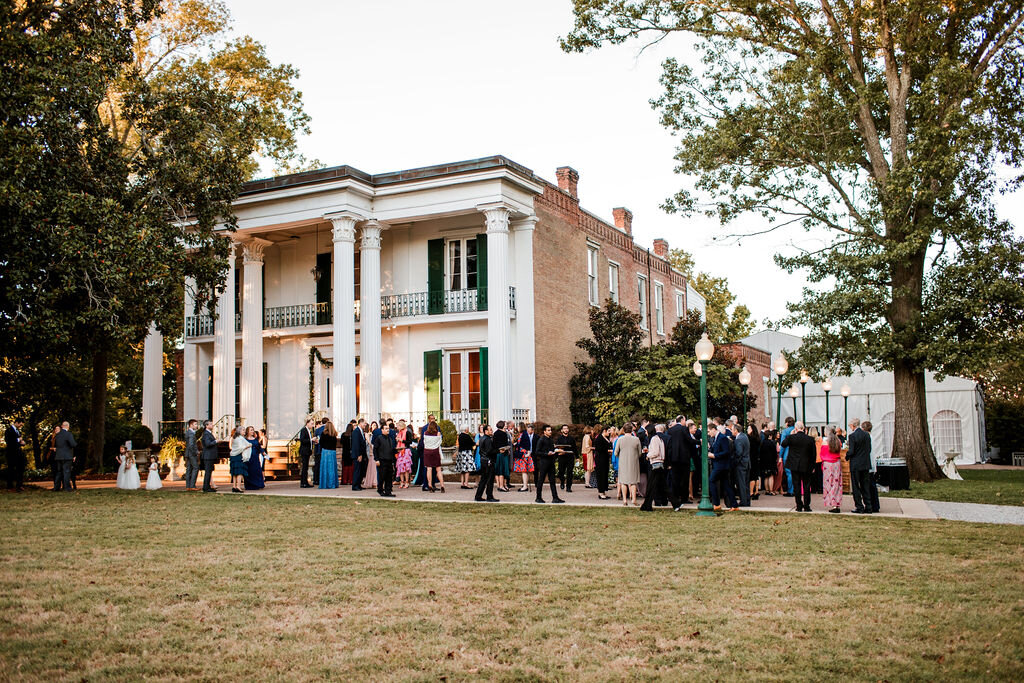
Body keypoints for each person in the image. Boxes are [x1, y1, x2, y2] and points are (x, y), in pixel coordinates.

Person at [781, 421, 816, 512]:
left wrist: (791, 434)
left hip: (794, 465)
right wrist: (813, 466)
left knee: (796, 485)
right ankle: (807, 505)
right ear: (804, 428)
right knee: (806, 486)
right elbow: (813, 454)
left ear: (795, 429)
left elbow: (783, 444)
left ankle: (799, 505)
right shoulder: (810, 439)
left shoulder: (791, 438)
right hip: (806, 465)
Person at [707, 424, 738, 510]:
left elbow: (726, 452)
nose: (709, 434)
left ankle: (716, 503)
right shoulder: (716, 438)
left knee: (712, 481)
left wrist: (714, 455)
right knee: (726, 485)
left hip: (721, 465)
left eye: (709, 431)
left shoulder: (722, 438)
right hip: (719, 465)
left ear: (713, 429)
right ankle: (734, 505)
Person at [846, 418, 873, 513]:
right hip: (865, 463)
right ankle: (868, 506)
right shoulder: (866, 435)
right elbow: (869, 449)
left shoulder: (852, 436)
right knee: (865, 485)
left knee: (856, 486)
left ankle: (859, 506)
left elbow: (851, 451)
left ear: (853, 426)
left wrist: (847, 456)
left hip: (856, 465)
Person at [532, 424, 563, 504]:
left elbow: (552, 450)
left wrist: (557, 453)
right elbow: (537, 452)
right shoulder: (541, 440)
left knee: (552, 480)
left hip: (551, 462)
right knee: (541, 480)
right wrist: (546, 454)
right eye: (548, 430)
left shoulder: (551, 440)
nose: (550, 432)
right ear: (544, 431)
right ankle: (538, 497)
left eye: (550, 430)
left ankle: (555, 498)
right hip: (544, 462)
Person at [640, 424, 668, 511]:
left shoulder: (653, 439)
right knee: (661, 485)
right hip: (659, 463)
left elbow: (655, 452)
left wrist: (648, 455)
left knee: (652, 486)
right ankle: (647, 505)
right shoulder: (659, 439)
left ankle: (647, 505)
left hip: (655, 463)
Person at [612, 423, 641, 507]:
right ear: (631, 430)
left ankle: (624, 500)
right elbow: (640, 453)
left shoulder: (620, 439)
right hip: (633, 462)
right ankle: (634, 499)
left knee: (623, 481)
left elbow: (616, 452)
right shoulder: (636, 439)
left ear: (624, 430)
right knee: (633, 482)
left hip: (623, 462)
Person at [474, 424, 500, 502]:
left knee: (483, 479)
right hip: (489, 461)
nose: (492, 431)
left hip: (483, 460)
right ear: (486, 431)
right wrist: (499, 451)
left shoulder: (482, 438)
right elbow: (489, 451)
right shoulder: (488, 439)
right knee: (489, 479)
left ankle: (478, 496)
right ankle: (489, 496)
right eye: (490, 430)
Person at [821, 426, 844, 513]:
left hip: (828, 463)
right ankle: (836, 504)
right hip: (837, 463)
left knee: (828, 483)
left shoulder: (825, 442)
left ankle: (831, 502)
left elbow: (822, 454)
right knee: (837, 483)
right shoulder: (838, 441)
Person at [372, 423, 396, 497]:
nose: (387, 430)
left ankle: (388, 491)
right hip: (382, 460)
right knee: (382, 476)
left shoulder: (390, 438)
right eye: (386, 429)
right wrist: (376, 459)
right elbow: (375, 449)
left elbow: (392, 449)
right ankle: (380, 490)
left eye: (388, 429)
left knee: (389, 477)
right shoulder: (379, 438)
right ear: (382, 430)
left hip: (389, 460)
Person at [731, 422, 752, 507]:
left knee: (741, 483)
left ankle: (743, 501)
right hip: (747, 463)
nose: (732, 431)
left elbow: (739, 453)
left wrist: (735, 462)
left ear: (736, 430)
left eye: (732, 430)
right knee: (746, 483)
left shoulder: (738, 439)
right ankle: (747, 500)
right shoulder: (745, 436)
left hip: (741, 464)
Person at [53, 421, 76, 493]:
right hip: (67, 456)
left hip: (59, 456)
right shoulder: (68, 434)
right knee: (66, 472)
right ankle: (67, 487)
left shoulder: (57, 435)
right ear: (67, 426)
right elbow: (72, 444)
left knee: (59, 472)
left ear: (62, 426)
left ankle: (56, 487)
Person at [862, 420, 880, 512]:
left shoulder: (867, 438)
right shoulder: (871, 437)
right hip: (872, 464)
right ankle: (875, 504)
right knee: (872, 485)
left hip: (868, 464)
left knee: (869, 486)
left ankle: (872, 505)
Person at [421, 422, 444, 492]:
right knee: (438, 470)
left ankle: (430, 485)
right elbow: (440, 442)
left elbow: (424, 442)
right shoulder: (438, 434)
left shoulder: (425, 433)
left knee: (429, 469)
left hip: (427, 452)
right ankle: (442, 485)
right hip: (435, 451)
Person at [5, 418, 26, 491]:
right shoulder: (9, 430)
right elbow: (9, 441)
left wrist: (22, 443)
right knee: (11, 469)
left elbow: (18, 441)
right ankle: (9, 486)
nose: (21, 426)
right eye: (20, 424)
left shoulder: (18, 431)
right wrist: (18, 440)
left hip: (19, 453)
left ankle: (19, 485)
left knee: (20, 469)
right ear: (16, 422)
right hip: (11, 453)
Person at [554, 424, 577, 493]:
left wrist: (577, 457)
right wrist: (556, 456)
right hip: (562, 457)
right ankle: (562, 481)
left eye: (567, 428)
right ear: (561, 430)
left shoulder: (571, 438)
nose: (566, 430)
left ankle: (568, 487)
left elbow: (574, 448)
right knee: (561, 472)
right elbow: (557, 448)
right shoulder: (559, 439)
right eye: (564, 428)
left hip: (570, 457)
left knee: (570, 472)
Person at [514, 422, 535, 492]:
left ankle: (525, 486)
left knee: (524, 471)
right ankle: (524, 484)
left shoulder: (525, 434)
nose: (517, 428)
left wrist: (528, 452)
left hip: (523, 454)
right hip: (521, 453)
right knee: (523, 471)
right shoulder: (521, 434)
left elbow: (528, 444)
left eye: (518, 426)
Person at [229, 426, 250, 493]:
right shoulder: (240, 438)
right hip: (238, 456)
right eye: (243, 430)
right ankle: (238, 486)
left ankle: (234, 486)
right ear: (239, 431)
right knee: (239, 472)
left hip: (233, 456)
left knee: (234, 472)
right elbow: (241, 448)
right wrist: (248, 446)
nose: (244, 431)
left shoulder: (235, 438)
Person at [318, 421, 339, 489]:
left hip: (325, 452)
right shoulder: (334, 435)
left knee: (325, 468)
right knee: (332, 468)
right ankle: (332, 483)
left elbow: (321, 443)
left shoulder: (323, 434)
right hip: (332, 452)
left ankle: (325, 483)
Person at [592, 424, 611, 500]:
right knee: (601, 475)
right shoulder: (599, 438)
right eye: (608, 431)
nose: (609, 433)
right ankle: (601, 492)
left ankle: (603, 492)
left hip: (605, 459)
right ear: (604, 431)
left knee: (605, 475)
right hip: (600, 460)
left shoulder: (606, 438)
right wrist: (608, 450)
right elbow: (599, 449)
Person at [759, 427, 779, 495]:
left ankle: (767, 490)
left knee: (766, 476)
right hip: (771, 461)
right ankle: (771, 490)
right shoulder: (771, 443)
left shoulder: (762, 443)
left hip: (763, 462)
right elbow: (774, 453)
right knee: (770, 476)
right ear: (769, 436)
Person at [244, 426, 266, 490]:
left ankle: (258, 484)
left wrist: (263, 452)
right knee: (249, 471)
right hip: (248, 457)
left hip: (255, 457)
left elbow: (259, 447)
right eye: (251, 430)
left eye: (253, 430)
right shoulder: (245, 439)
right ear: (247, 431)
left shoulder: (255, 439)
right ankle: (249, 485)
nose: (252, 431)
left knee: (256, 470)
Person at [200, 420, 218, 492]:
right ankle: (206, 487)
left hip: (210, 455)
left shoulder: (208, 433)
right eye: (210, 424)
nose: (212, 425)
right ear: (206, 426)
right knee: (208, 472)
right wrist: (215, 441)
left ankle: (207, 486)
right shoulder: (206, 434)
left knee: (209, 471)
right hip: (208, 455)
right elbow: (207, 444)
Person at [779, 416, 795, 496]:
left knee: (789, 473)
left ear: (787, 423)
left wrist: (780, 456)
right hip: (795, 454)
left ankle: (790, 490)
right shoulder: (796, 430)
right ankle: (795, 489)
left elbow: (782, 445)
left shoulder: (785, 431)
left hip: (787, 454)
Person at [350, 419, 367, 491]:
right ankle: (355, 485)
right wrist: (359, 455)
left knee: (360, 470)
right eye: (364, 423)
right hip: (357, 455)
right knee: (357, 470)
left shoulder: (361, 431)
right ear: (360, 423)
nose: (365, 425)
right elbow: (356, 444)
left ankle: (359, 484)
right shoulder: (356, 432)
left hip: (362, 454)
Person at [493, 420, 510, 493]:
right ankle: (502, 486)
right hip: (502, 453)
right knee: (502, 470)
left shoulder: (495, 433)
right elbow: (505, 444)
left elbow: (494, 444)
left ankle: (499, 485)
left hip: (497, 453)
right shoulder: (503, 433)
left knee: (498, 469)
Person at [395, 420, 413, 489]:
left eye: (398, 426)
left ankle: (407, 482)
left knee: (406, 468)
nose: (397, 428)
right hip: (400, 450)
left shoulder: (407, 432)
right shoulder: (399, 433)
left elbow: (410, 441)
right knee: (400, 467)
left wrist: (402, 440)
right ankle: (401, 481)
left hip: (406, 450)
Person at [183, 419, 200, 491]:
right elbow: (191, 444)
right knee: (195, 468)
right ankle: (192, 485)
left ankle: (188, 486)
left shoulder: (188, 432)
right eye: (195, 424)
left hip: (188, 453)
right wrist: (196, 452)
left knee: (189, 469)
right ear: (191, 425)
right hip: (191, 454)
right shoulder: (191, 433)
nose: (197, 426)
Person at [361, 422, 378, 490]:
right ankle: (371, 481)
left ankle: (375, 481)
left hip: (373, 452)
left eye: (375, 425)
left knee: (374, 468)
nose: (374, 426)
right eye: (373, 425)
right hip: (370, 452)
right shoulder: (368, 434)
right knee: (371, 467)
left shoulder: (375, 434)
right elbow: (369, 443)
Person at [298, 418, 315, 488]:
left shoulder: (309, 431)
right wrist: (311, 439)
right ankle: (303, 483)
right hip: (304, 451)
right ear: (307, 423)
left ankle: (305, 482)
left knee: (306, 467)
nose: (312, 425)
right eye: (311, 423)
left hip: (307, 451)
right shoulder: (303, 430)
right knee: (304, 467)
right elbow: (302, 440)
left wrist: (313, 441)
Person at [747, 424, 761, 500]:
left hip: (751, 458)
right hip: (756, 458)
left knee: (752, 476)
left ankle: (751, 492)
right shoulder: (757, 438)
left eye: (748, 428)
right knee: (756, 476)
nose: (747, 430)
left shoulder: (750, 438)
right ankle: (756, 491)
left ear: (752, 429)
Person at [312, 417, 328, 488]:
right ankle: (323, 479)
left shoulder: (317, 430)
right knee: (324, 465)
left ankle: (316, 480)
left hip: (317, 449)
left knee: (317, 465)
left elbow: (315, 439)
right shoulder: (326, 430)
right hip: (324, 449)